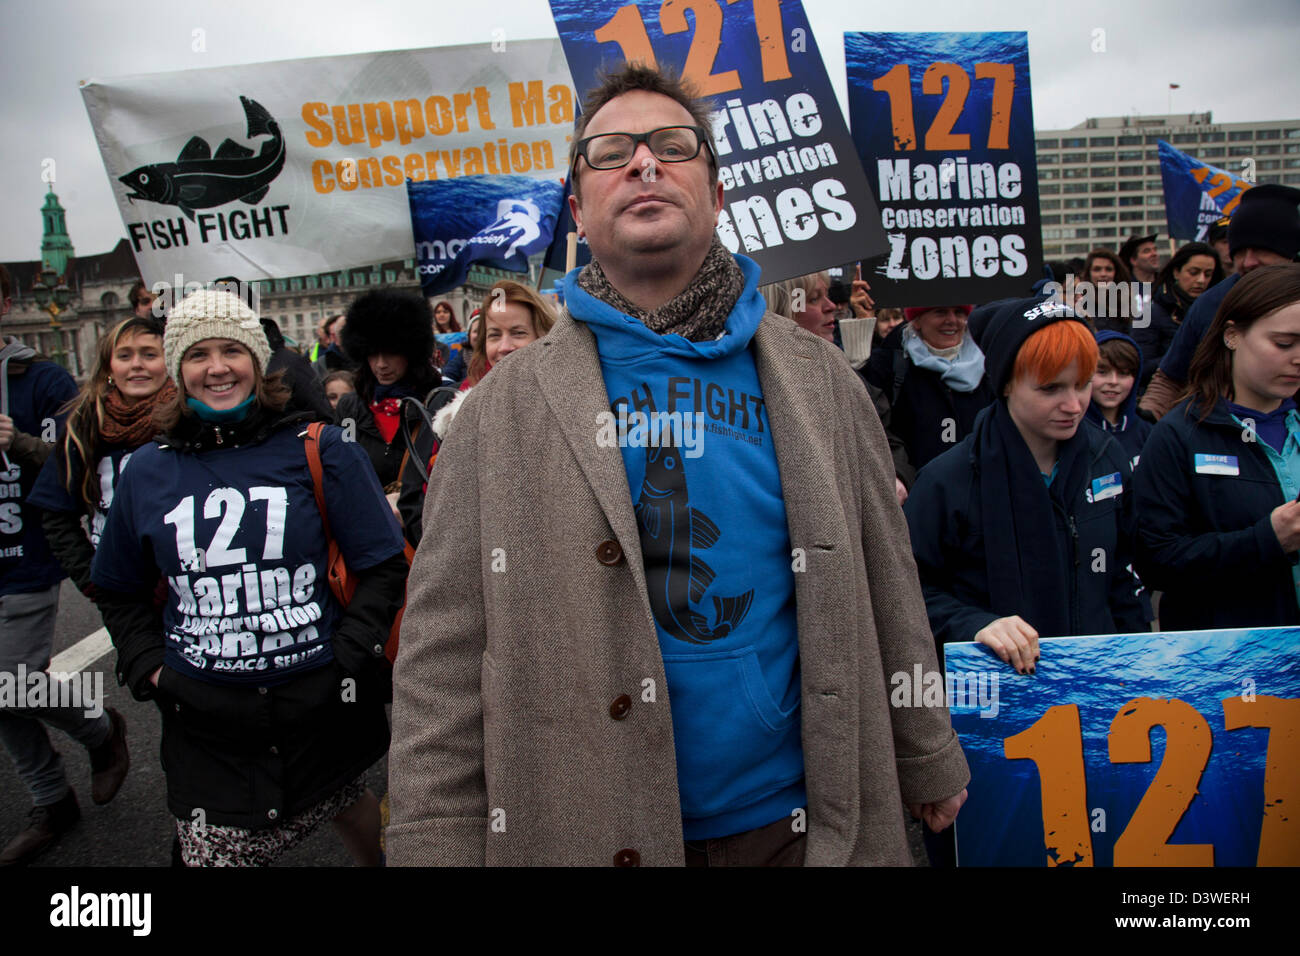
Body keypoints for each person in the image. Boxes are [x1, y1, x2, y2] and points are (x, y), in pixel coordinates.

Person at [387, 63, 969, 867]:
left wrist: (926, 747)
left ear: (720, 194)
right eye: (612, 152)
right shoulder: (495, 414)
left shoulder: (823, 382)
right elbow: (442, 654)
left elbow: (888, 579)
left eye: (672, 144)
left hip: (795, 828)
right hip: (581, 829)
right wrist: (429, 842)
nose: (645, 163)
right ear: (580, 213)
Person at [88, 289, 408, 866]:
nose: (216, 368)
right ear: (178, 370)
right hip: (206, 718)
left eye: (232, 350)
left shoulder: (322, 449)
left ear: (258, 364)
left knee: (340, 795)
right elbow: (116, 587)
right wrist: (153, 670)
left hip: (319, 703)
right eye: (197, 354)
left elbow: (383, 566)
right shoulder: (147, 471)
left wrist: (347, 655)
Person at [0, 265, 130, 866]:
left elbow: (73, 461)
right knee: (2, 694)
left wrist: (15, 441)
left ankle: (99, 730)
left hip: (21, 553)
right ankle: (51, 799)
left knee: (9, 680)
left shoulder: (42, 379)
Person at [1134, 264, 1300, 630]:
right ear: (1232, 336)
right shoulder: (1178, 436)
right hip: (1231, 667)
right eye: (1284, 344)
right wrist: (1267, 539)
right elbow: (1156, 562)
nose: (1298, 358)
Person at [396, 280, 555, 549]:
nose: (504, 346)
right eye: (494, 335)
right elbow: (414, 500)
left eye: (518, 333)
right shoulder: (448, 405)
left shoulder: (564, 405)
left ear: (543, 337)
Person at [1140, 185, 1300, 420]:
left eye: (1261, 251)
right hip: (1226, 436)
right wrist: (1144, 426)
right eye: (1240, 252)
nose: (1248, 262)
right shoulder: (1212, 303)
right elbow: (1170, 378)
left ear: (1289, 252)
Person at [761, 272, 912, 503]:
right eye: (814, 299)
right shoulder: (754, 383)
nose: (831, 306)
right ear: (783, 309)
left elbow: (888, 440)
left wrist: (898, 477)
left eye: (827, 296)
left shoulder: (846, 377)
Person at [864, 304, 995, 472]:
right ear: (916, 321)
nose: (952, 320)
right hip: (917, 490)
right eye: (940, 312)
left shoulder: (989, 366)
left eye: (959, 312)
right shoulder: (889, 366)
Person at [334, 290, 439, 492]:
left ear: (411, 352)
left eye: (391, 354)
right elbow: (340, 467)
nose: (381, 364)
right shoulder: (350, 406)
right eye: (373, 354)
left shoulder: (435, 402)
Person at [1133, 241, 1224, 388]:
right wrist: (1185, 354)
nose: (1201, 280)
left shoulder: (1218, 312)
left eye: (1208, 274)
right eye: (1193, 272)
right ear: (1176, 272)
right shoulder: (1151, 314)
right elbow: (1139, 367)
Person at [1085, 331, 1152, 471]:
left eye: (1123, 373)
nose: (1113, 382)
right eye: (1102, 372)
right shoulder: (1072, 432)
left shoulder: (1147, 432)